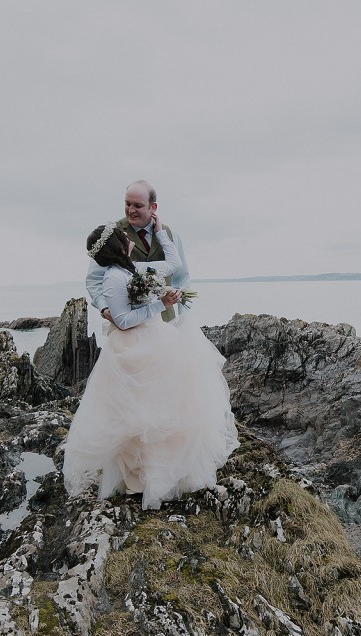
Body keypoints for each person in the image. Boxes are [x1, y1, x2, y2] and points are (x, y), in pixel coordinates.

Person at [64, 213, 239, 510]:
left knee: (163, 404)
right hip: (132, 348)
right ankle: (140, 478)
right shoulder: (115, 278)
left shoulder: (131, 268)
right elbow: (122, 321)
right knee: (138, 414)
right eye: (124, 239)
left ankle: (162, 467)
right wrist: (161, 304)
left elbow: (172, 266)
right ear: (119, 247)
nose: (128, 239)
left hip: (152, 339)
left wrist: (161, 235)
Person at [86, 180, 190, 323]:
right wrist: (104, 308)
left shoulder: (169, 234)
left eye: (138, 205)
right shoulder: (112, 235)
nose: (131, 210)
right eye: (127, 204)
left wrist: (184, 320)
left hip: (166, 322)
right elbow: (94, 278)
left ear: (153, 207)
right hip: (130, 326)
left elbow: (181, 278)